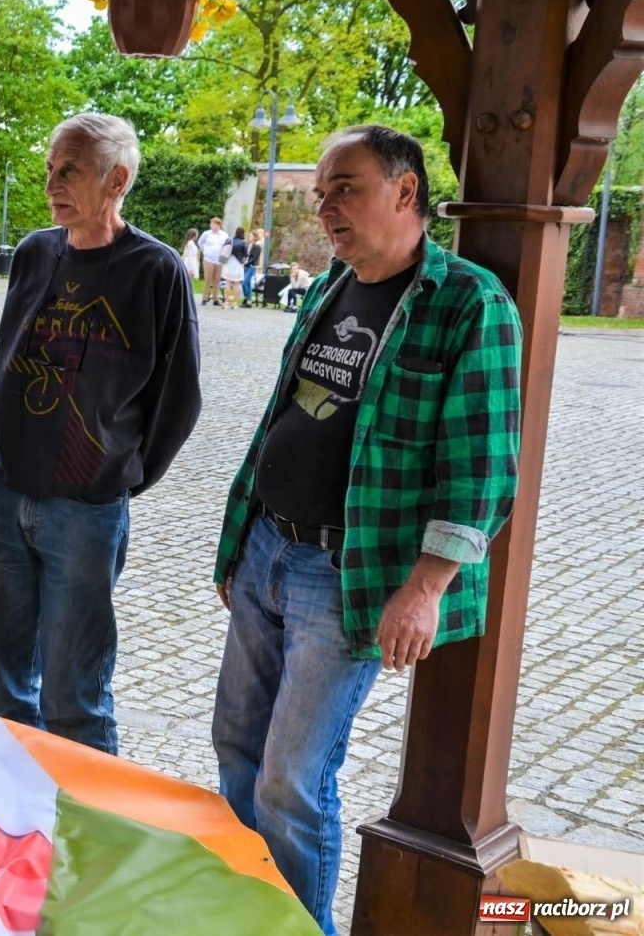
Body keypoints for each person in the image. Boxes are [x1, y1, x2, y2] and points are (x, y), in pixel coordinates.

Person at [210, 125, 522, 933]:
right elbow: (284, 419)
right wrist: (236, 541)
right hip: (268, 550)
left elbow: (482, 473)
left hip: (345, 576)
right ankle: (245, 913)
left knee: (291, 777)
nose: (325, 206)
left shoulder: (469, 303)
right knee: (237, 747)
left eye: (343, 187)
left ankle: (298, 926)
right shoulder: (328, 288)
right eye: (321, 192)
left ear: (405, 191)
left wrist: (424, 590)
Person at [0, 113, 201, 755]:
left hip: (87, 512)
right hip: (1, 497)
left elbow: (178, 399)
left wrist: (117, 477)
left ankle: (86, 832)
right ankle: (10, 821)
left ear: (117, 178)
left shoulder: (156, 271)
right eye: (49, 168)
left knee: (77, 698)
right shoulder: (36, 253)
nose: (52, 183)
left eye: (69, 170)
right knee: (5, 687)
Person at [197, 216, 229, 306]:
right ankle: (205, 297)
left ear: (218, 225)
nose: (211, 225)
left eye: (213, 224)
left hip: (219, 260)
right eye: (211, 224)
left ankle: (216, 298)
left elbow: (227, 246)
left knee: (217, 280)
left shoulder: (224, 235)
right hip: (209, 259)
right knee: (208, 279)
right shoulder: (207, 234)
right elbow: (200, 243)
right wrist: (205, 251)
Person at [221, 228, 246, 309]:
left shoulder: (230, 240)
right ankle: (235, 303)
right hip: (237, 263)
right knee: (237, 284)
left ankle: (226, 302)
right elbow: (246, 254)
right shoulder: (243, 242)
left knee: (227, 283)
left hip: (229, 262)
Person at [242, 228, 264, 308]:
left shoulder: (257, 245)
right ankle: (248, 300)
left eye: (251, 236)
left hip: (252, 266)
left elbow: (255, 258)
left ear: (255, 237)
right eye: (249, 236)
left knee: (245, 282)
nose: (249, 237)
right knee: (247, 283)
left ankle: (248, 299)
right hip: (247, 265)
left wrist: (247, 263)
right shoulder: (250, 245)